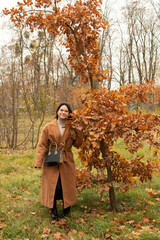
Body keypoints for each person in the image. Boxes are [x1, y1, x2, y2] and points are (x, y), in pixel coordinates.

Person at [35, 103, 83, 220]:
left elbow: (78, 144)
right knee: (53, 185)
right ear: (57, 111)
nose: (63, 112)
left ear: (69, 114)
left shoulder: (72, 127)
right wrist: (38, 162)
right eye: (61, 110)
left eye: (66, 111)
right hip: (52, 158)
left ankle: (67, 209)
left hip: (66, 159)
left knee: (65, 184)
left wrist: (79, 131)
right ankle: (53, 210)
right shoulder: (48, 127)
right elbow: (42, 145)